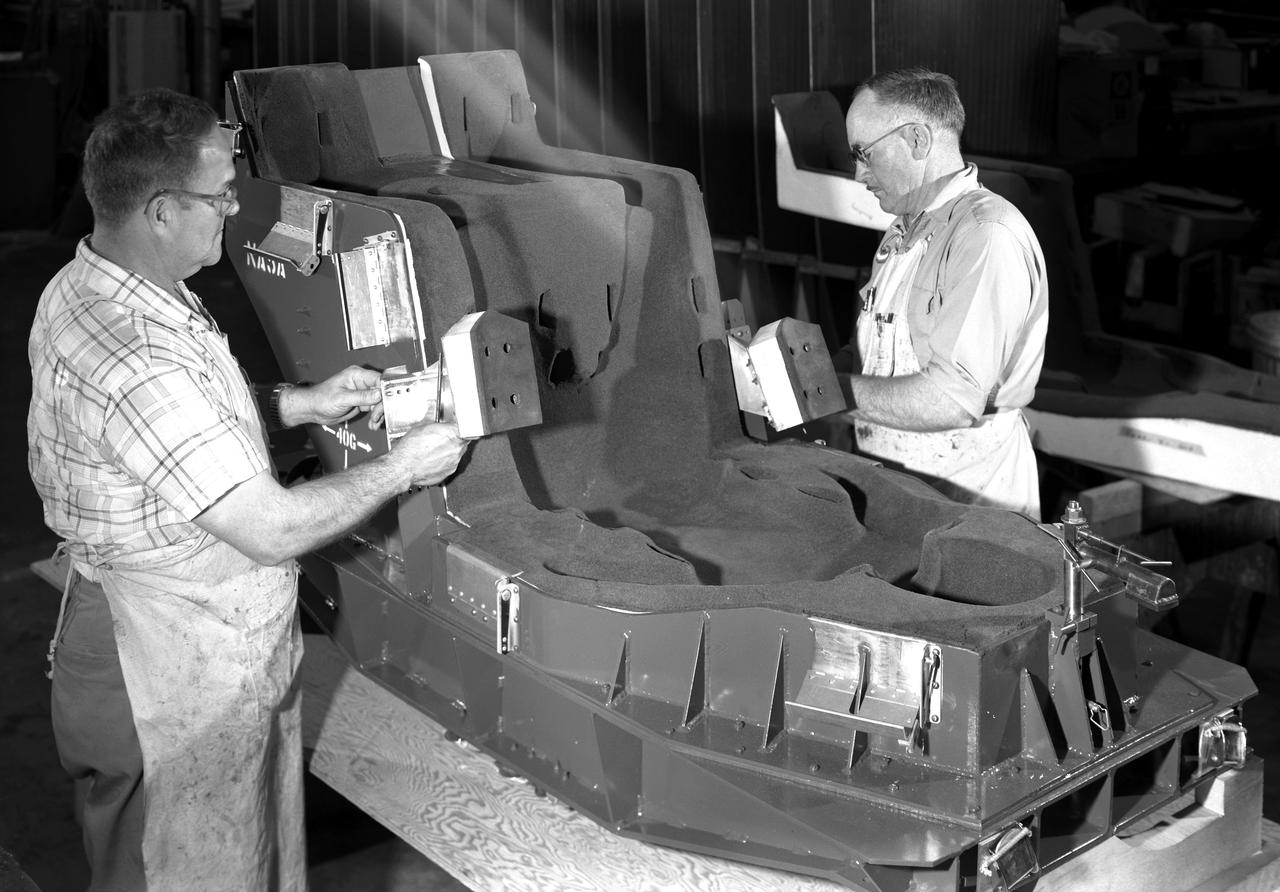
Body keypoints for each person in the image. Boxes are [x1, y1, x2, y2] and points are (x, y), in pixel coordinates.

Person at [26, 88, 469, 891]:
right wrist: (406, 465)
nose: (233, 211)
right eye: (221, 195)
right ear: (162, 212)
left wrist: (302, 405)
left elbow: (169, 439)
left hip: (165, 634)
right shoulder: (140, 355)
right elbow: (269, 528)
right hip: (159, 663)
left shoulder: (96, 284)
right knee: (170, 870)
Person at [831, 67, 1048, 518]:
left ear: (917, 140)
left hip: (972, 501)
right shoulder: (901, 234)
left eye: (864, 153)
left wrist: (825, 391)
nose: (858, 173)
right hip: (899, 486)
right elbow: (874, 360)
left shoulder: (986, 235)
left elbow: (950, 400)